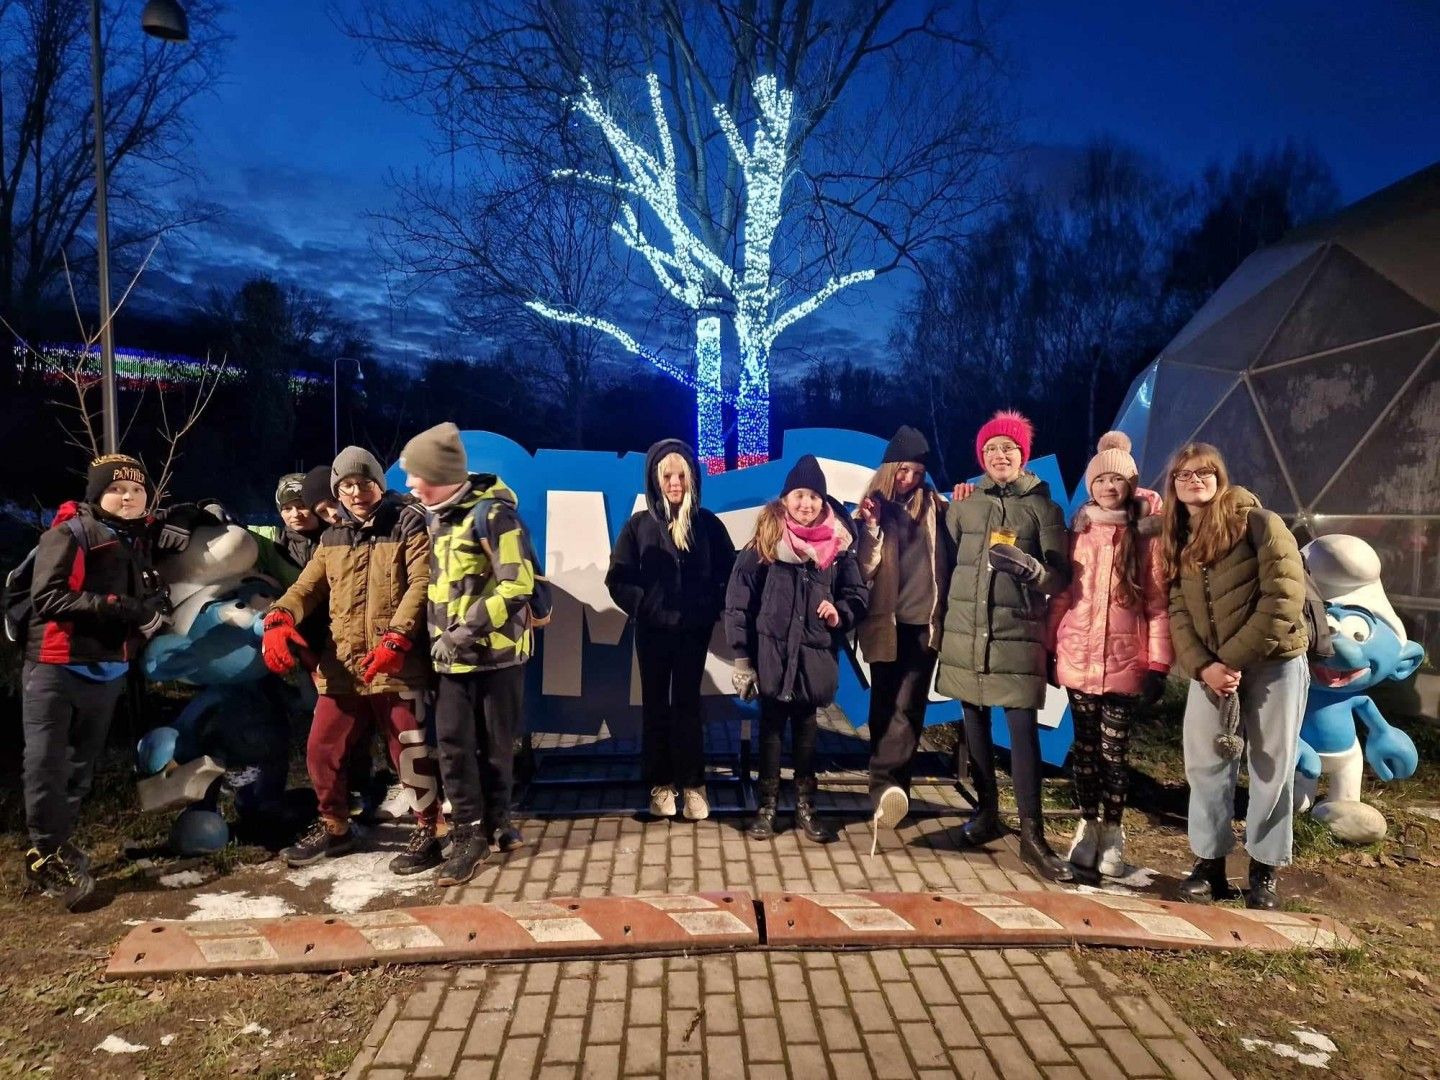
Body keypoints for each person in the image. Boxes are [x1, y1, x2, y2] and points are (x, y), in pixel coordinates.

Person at [261, 446, 443, 875]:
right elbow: (307, 587)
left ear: (379, 483)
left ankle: (430, 829)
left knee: (409, 750)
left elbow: (422, 583)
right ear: (337, 491)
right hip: (343, 664)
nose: (356, 492)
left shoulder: (408, 522)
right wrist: (279, 617)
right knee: (321, 749)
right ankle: (335, 825)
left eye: (364, 482)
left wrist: (397, 639)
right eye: (346, 485)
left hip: (397, 665)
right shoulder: (333, 536)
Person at [1160, 442, 1309, 910]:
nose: (1194, 480)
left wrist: (1233, 660)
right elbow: (1177, 607)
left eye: (1203, 472)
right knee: (1205, 763)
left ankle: (1264, 867)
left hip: (1274, 662)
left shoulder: (1259, 522)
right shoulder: (1178, 535)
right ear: (1174, 484)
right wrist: (1204, 666)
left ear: (1219, 477)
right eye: (1184, 474)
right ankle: (1209, 862)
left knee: (1271, 764)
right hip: (1212, 669)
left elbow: (1284, 596)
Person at [21, 454, 172, 910]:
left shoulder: (137, 538)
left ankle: (55, 847)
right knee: (46, 765)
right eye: (116, 489)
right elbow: (49, 597)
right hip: (57, 665)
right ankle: (45, 853)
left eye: (137, 490)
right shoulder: (70, 534)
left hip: (108, 670)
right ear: (97, 494)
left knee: (78, 769)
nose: (128, 497)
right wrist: (125, 608)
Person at [936, 410, 1073, 881]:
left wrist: (1033, 571)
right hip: (967, 633)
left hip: (1016, 635)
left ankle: (1033, 835)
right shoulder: (964, 505)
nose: (999, 455)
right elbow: (946, 563)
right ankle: (986, 812)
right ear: (981, 456)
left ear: (1022, 455)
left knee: (1021, 733)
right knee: (973, 726)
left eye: (1008, 448)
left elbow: (1059, 577)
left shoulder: (1044, 509)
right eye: (991, 448)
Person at [400, 422, 538, 886]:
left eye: (416, 474)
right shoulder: (433, 516)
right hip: (450, 663)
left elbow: (518, 584)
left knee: (496, 747)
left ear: (440, 475)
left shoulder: (493, 515)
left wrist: (462, 634)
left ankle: (497, 823)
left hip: (496, 659)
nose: (410, 483)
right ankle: (468, 833)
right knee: (454, 748)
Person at [1046, 431, 1172, 878]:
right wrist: (1049, 646)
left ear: (1131, 484)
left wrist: (1159, 664)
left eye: (1117, 479)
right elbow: (1064, 595)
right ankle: (1087, 825)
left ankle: (1114, 833)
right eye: (1100, 480)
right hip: (1079, 655)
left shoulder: (1147, 534)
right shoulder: (1080, 531)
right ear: (1091, 485)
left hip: (1125, 662)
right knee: (1084, 750)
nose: (1108, 487)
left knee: (1114, 754)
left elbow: (1158, 604)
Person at [725, 455, 868, 843]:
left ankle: (806, 806)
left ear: (823, 502)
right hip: (771, 659)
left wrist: (840, 613)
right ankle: (767, 807)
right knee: (770, 733)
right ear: (786, 498)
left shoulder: (838, 548)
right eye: (800, 495)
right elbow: (738, 602)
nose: (807, 504)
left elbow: (857, 595)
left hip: (812, 659)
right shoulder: (765, 543)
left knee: (807, 734)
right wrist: (743, 658)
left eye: (814, 497)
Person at [606, 439, 736, 822]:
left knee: (688, 706)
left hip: (693, 633)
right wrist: (646, 606)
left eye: (681, 475)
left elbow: (729, 575)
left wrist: (707, 608)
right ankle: (660, 784)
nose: (675, 483)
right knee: (655, 707)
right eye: (667, 476)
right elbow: (618, 578)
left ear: (692, 478)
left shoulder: (708, 526)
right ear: (656, 479)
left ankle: (693, 784)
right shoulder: (639, 526)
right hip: (652, 634)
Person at [854, 425, 954, 836]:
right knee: (883, 706)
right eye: (904, 470)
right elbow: (863, 570)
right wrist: (872, 529)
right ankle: (887, 789)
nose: (909, 479)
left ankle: (890, 788)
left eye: (917, 472)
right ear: (889, 468)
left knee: (909, 707)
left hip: (923, 623)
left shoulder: (936, 506)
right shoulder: (871, 508)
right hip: (885, 624)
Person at [250, 472, 324, 589]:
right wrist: (219, 513)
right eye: (287, 509)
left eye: (302, 506)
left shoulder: (337, 537)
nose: (295, 514)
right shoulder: (272, 539)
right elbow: (238, 530)